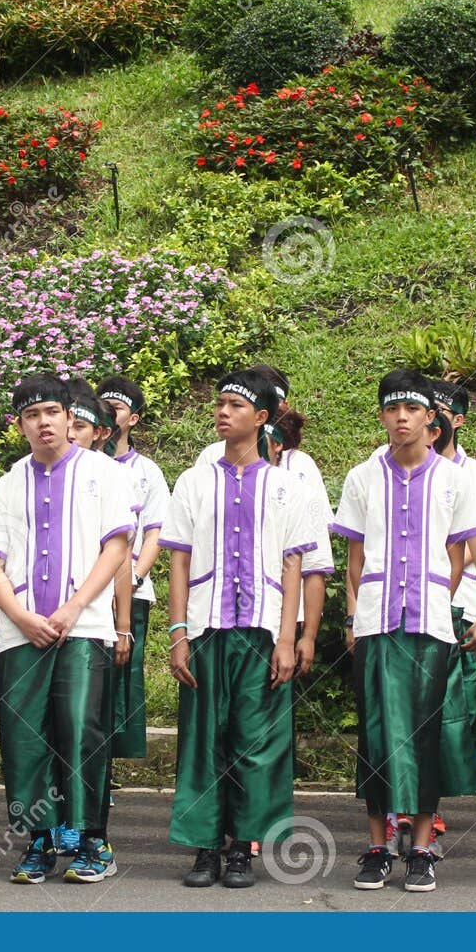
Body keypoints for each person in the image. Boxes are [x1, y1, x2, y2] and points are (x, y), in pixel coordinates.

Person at [333, 370, 476, 893]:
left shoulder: (456, 480)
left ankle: (421, 846)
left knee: (425, 733)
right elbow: (353, 557)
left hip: (430, 625)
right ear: (382, 416)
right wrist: (357, 612)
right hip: (378, 621)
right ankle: (378, 846)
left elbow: (472, 549)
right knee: (376, 733)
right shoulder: (362, 477)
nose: (401, 418)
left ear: (432, 418)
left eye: (412, 409)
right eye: (392, 409)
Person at [162, 370, 318, 890]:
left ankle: (242, 850)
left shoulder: (285, 485)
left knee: (255, 740)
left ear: (261, 418)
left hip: (260, 631)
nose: (223, 412)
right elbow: (178, 563)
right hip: (207, 627)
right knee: (204, 738)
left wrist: (287, 637)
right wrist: (178, 632)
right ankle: (206, 846)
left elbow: (293, 565)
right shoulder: (193, 480)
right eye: (220, 403)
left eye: (235, 405)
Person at [0, 375, 133, 885]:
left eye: (51, 412)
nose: (43, 422)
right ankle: (39, 839)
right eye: (31, 415)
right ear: (18, 425)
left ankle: (93, 839)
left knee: (80, 729)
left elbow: (116, 547)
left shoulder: (102, 473)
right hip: (20, 632)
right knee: (24, 737)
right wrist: (20, 616)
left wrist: (73, 608)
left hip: (83, 627)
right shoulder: (9, 481)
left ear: (71, 417)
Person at [428, 380, 476, 835]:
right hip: (408, 603)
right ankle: (411, 804)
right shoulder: (391, 465)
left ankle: (433, 800)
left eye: (440, 410)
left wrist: (435, 569)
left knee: (456, 709)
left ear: (457, 420)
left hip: (461, 601)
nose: (430, 417)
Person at [97, 376, 169, 769]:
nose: (109, 412)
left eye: (118, 407)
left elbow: (156, 531)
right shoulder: (84, 464)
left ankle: (108, 764)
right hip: (86, 594)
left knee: (122, 679)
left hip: (132, 591)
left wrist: (134, 577)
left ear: (134, 419)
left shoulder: (147, 472)